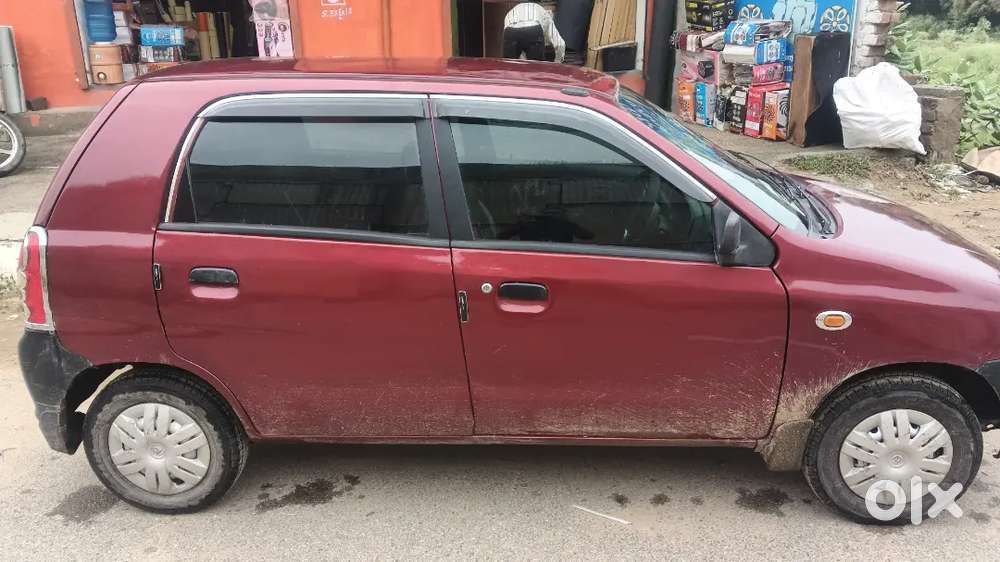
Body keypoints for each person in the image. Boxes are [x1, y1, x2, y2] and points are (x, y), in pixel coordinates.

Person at [502, 2, 566, 63]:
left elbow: (511, 35)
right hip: (533, 29)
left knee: (509, 67)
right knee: (536, 69)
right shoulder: (546, 16)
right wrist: (557, 62)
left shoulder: (511, 12)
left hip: (510, 30)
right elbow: (560, 44)